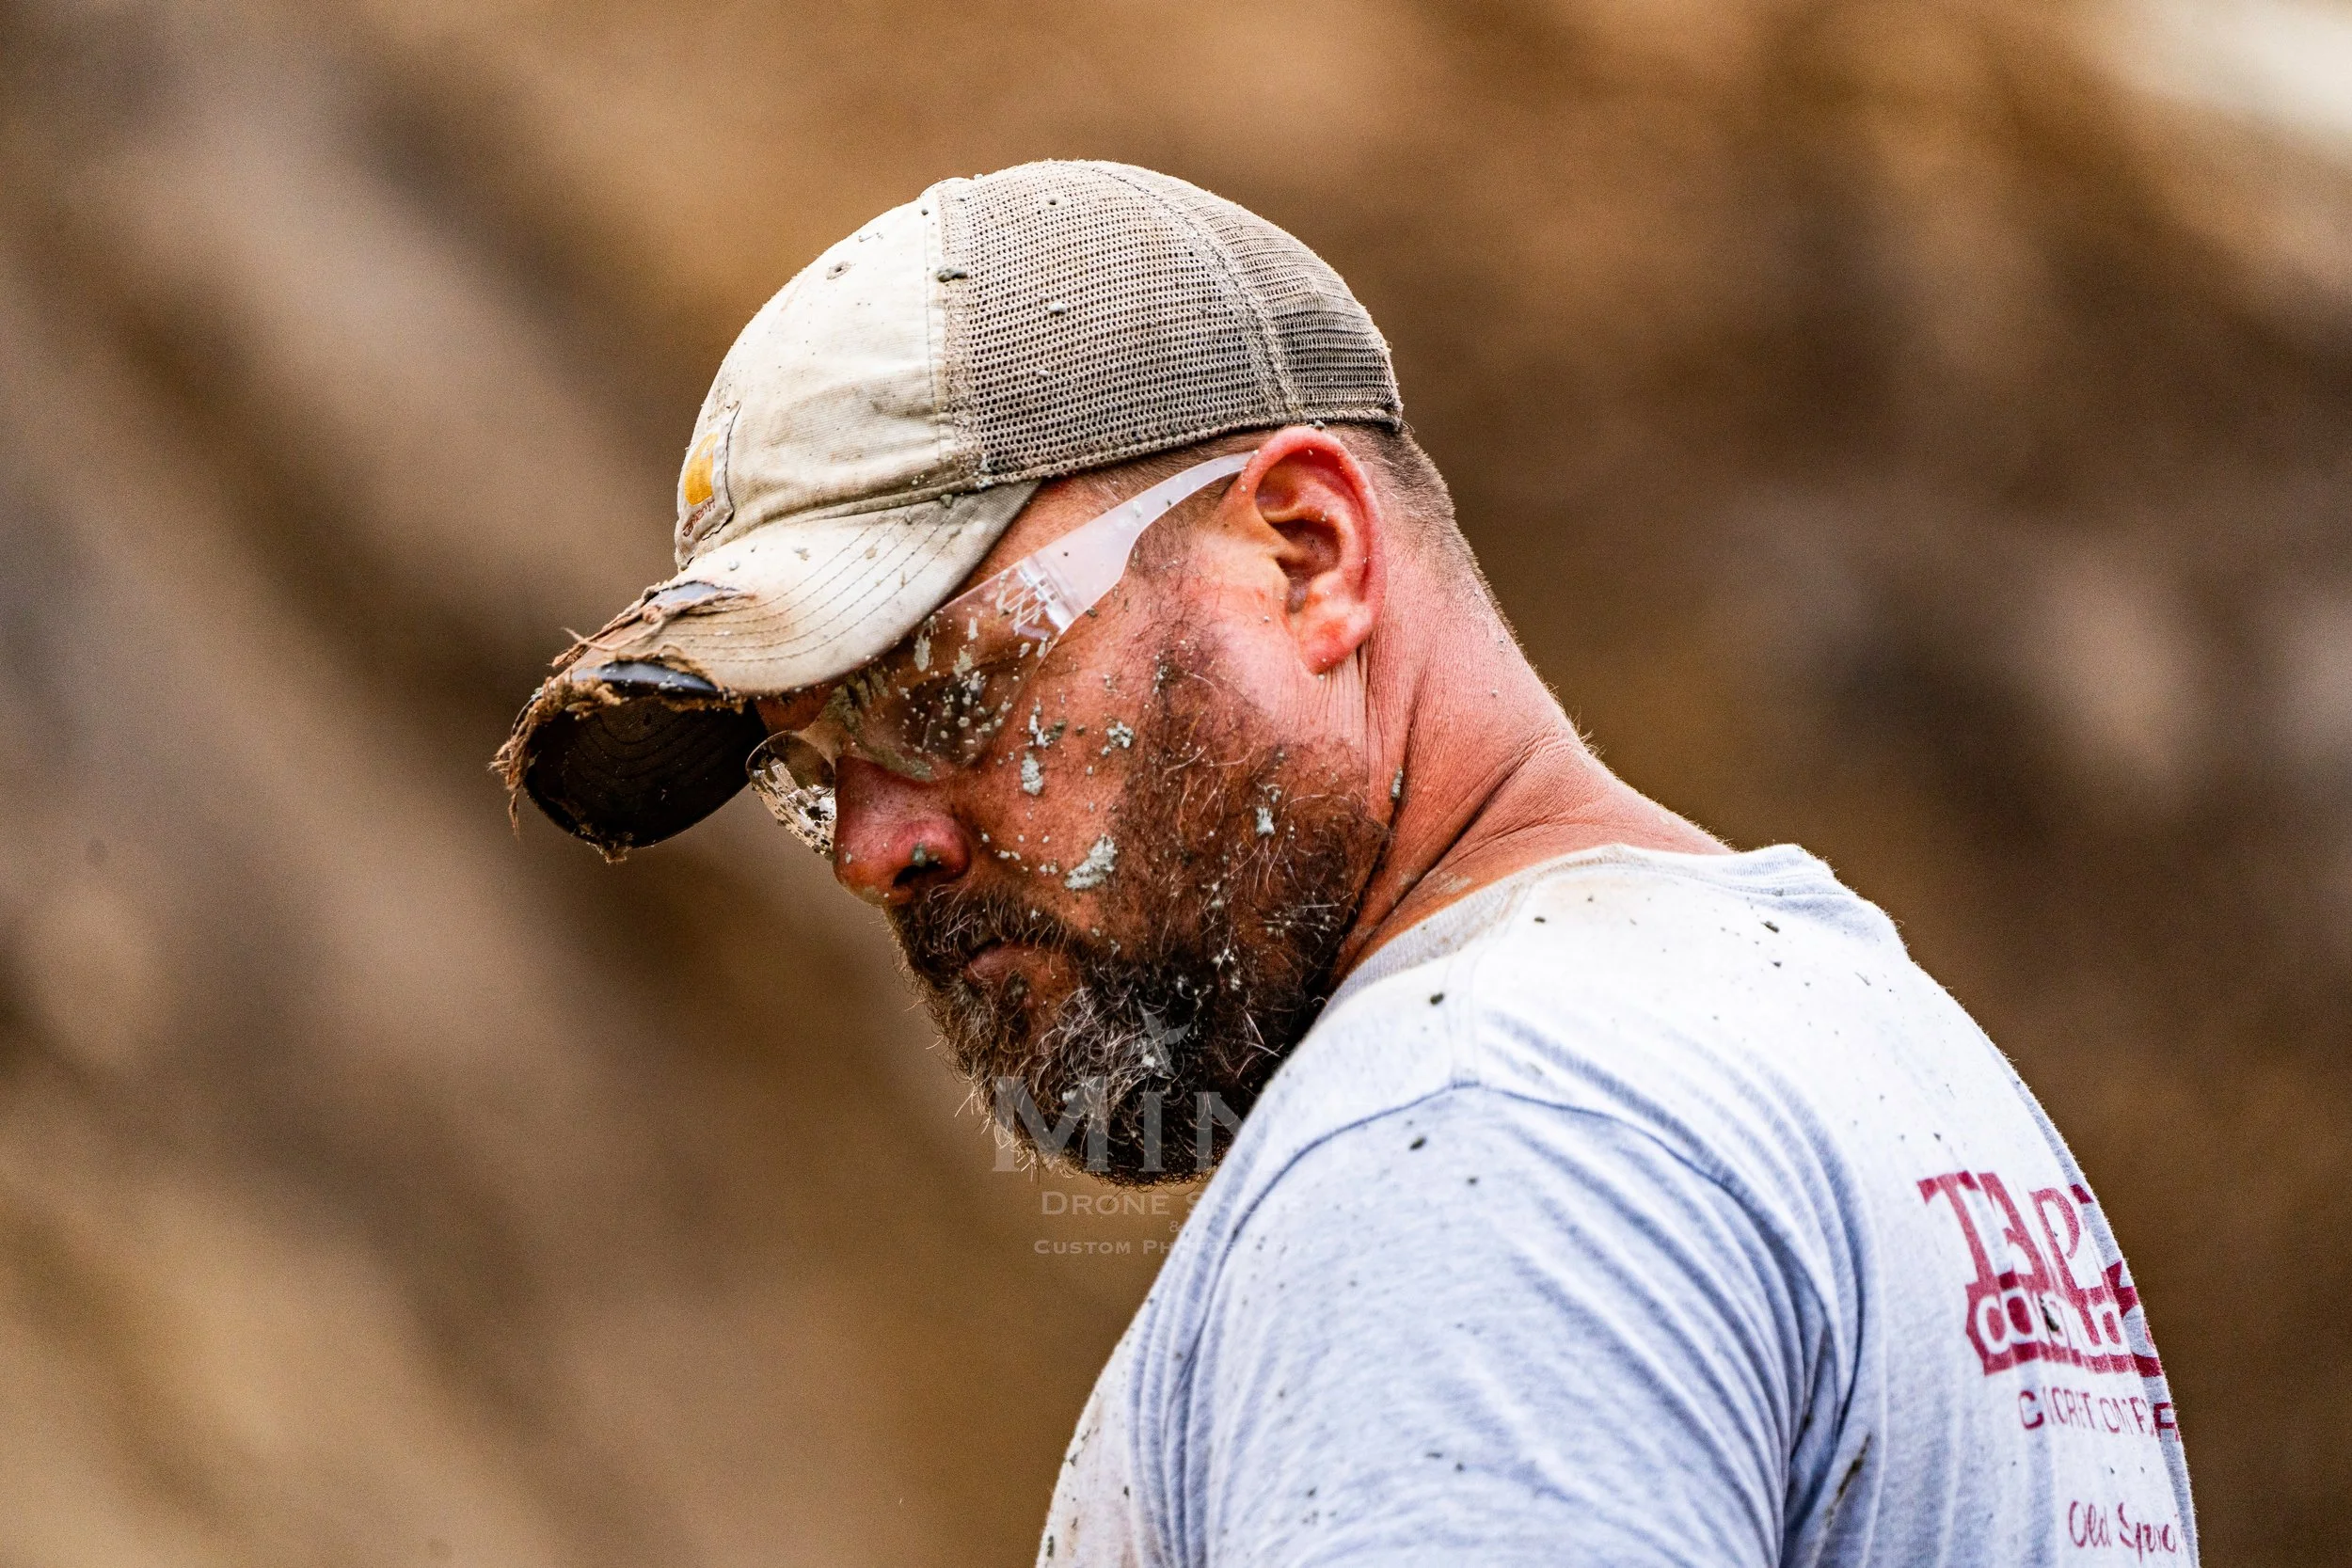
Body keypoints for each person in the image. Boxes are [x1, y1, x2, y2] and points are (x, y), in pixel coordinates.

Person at [499, 161, 2196, 1566]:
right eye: (814, 767)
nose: (877, 845)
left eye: (938, 688)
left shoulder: (1480, 1143)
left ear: (1306, 554)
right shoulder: (1855, 1043)